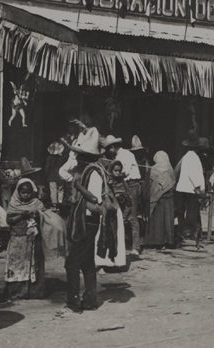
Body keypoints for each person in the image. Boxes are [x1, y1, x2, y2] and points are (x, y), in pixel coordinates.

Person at [60, 127, 116, 314]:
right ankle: (90, 300)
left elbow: (94, 199)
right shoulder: (85, 170)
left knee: (72, 262)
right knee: (87, 262)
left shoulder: (93, 172)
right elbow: (64, 173)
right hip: (84, 219)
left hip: (87, 221)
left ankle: (74, 302)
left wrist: (78, 187)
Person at [4, 178, 47, 299]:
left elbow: (45, 217)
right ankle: (16, 292)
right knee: (17, 265)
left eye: (28, 192)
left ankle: (34, 292)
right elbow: (9, 220)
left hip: (33, 239)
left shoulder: (37, 203)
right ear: (18, 192)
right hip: (17, 239)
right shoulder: (13, 204)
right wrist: (21, 215)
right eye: (23, 192)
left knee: (33, 265)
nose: (26, 195)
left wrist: (36, 215)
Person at [101, 134, 143, 256]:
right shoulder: (117, 156)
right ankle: (122, 243)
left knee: (132, 216)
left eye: (110, 148)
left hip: (132, 185)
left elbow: (124, 172)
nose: (109, 150)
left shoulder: (126, 155)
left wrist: (111, 176)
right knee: (122, 214)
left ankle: (136, 246)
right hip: (123, 185)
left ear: (114, 147)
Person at [175, 132, 209, 243]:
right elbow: (193, 174)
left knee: (182, 212)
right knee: (191, 213)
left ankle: (185, 232)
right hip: (190, 189)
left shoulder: (186, 157)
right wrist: (198, 188)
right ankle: (189, 232)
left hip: (183, 188)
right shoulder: (193, 157)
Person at [145, 151, 176, 249]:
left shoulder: (153, 170)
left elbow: (149, 185)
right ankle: (168, 241)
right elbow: (173, 182)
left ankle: (157, 241)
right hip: (169, 198)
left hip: (158, 200)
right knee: (168, 220)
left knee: (157, 220)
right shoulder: (170, 169)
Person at [44, 141, 66, 210]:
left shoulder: (49, 158)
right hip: (60, 176)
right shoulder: (61, 158)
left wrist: (46, 174)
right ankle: (60, 202)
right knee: (60, 190)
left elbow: (47, 168)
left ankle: (54, 204)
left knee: (53, 190)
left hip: (51, 176)